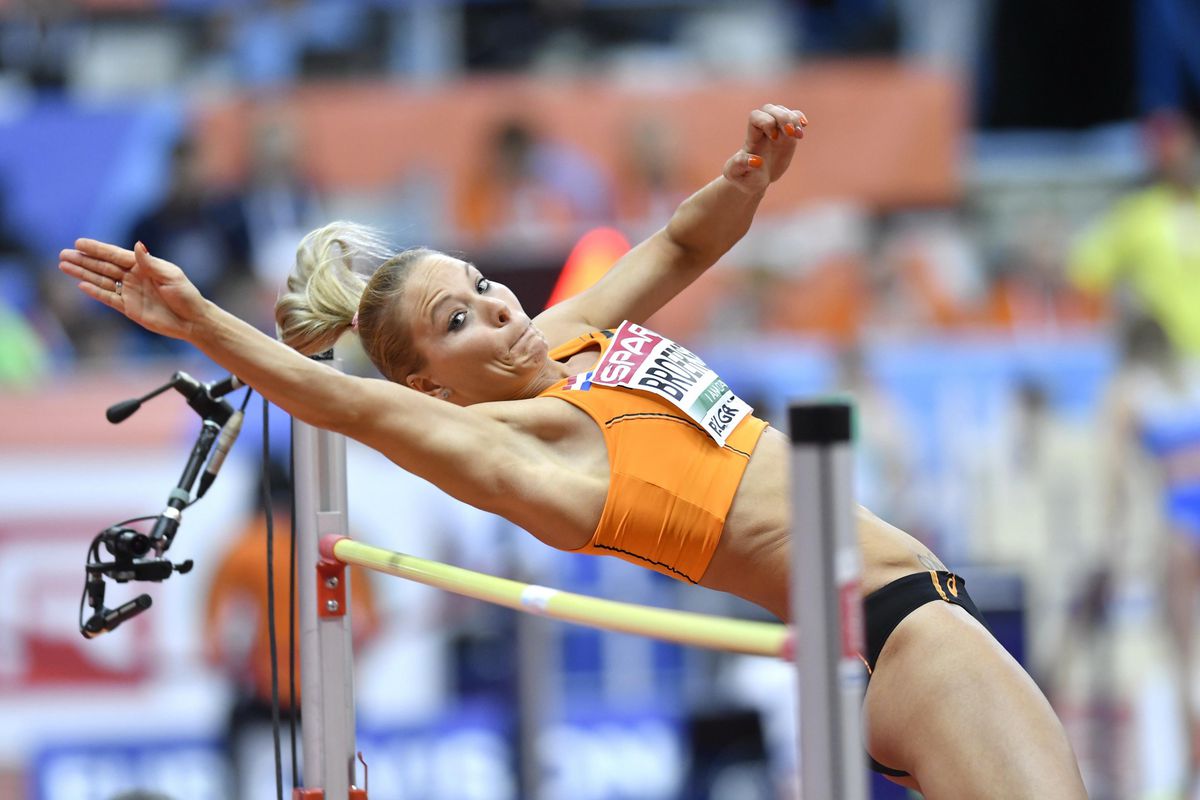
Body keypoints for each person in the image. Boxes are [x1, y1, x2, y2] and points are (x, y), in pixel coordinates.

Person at [60, 103, 1086, 798]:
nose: (497, 310)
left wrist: (747, 180)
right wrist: (200, 320)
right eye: (457, 321)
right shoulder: (512, 443)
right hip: (909, 630)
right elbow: (341, 401)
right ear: (426, 380)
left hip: (924, 617)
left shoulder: (566, 339)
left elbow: (680, 248)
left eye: (479, 284)